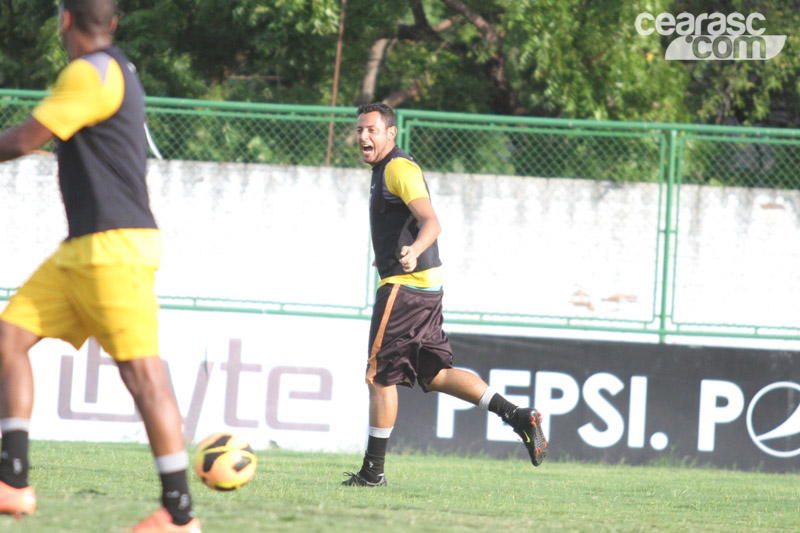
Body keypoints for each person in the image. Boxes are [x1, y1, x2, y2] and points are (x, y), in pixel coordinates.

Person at [0, 1, 200, 531]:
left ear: (65, 20)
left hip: (115, 250)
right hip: (80, 252)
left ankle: (179, 515)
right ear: (111, 23)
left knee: (144, 377)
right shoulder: (116, 68)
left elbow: (22, 140)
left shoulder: (90, 73)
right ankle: (13, 482)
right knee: (8, 339)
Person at [343, 103, 548, 487]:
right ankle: (518, 415)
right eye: (359, 130)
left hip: (406, 289)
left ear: (391, 133)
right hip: (426, 287)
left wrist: (414, 250)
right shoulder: (383, 171)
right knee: (435, 374)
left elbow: (432, 221)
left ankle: (373, 473)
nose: (363, 137)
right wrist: (390, 254)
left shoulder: (397, 168)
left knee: (379, 378)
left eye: (371, 129)